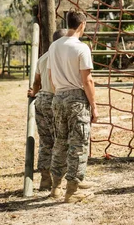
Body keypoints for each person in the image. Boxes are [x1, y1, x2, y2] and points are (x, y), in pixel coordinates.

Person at [48, 11, 99, 202]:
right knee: (79, 144)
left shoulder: (54, 46)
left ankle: (56, 187)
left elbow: (52, 77)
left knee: (60, 142)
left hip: (58, 97)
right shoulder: (81, 48)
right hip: (76, 99)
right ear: (82, 25)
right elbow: (87, 80)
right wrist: (93, 105)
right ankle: (73, 190)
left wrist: (60, 92)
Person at [27, 28, 68, 191]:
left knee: (45, 141)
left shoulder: (43, 58)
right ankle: (59, 179)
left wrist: (34, 92)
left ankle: (45, 179)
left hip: (41, 99)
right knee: (60, 140)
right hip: (55, 99)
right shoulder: (62, 57)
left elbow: (37, 81)